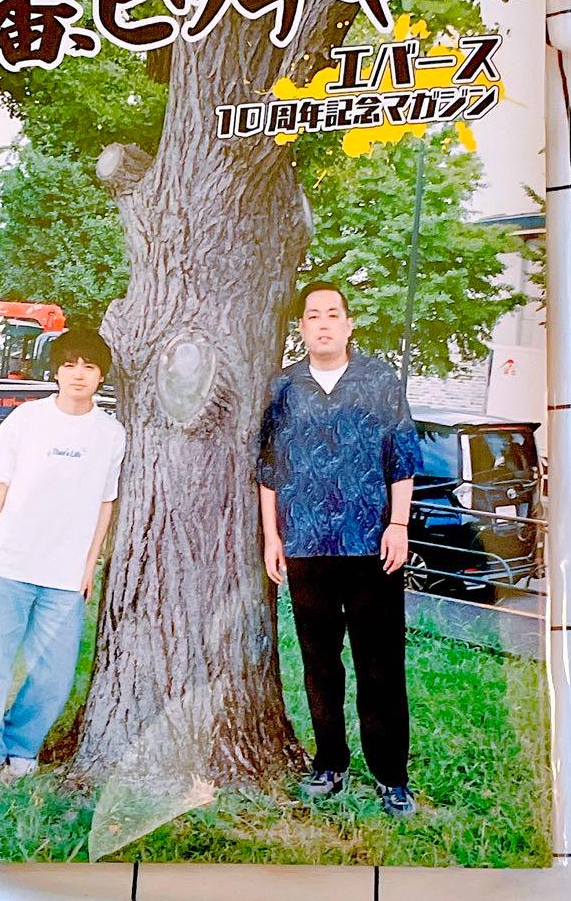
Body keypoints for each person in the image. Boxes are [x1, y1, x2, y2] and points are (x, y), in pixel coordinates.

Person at [256, 281, 422, 817]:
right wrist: (272, 536)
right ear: (302, 327)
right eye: (313, 315)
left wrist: (398, 524)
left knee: (381, 666)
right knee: (320, 665)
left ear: (349, 324)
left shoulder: (379, 380)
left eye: (333, 314)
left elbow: (402, 455)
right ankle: (330, 762)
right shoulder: (284, 387)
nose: (323, 323)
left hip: (372, 548)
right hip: (306, 547)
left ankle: (391, 776)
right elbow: (268, 468)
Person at [0, 327, 125, 787]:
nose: (79, 374)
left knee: (53, 673)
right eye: (69, 364)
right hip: (11, 562)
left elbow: (105, 503)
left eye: (89, 366)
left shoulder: (111, 434)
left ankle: (22, 747)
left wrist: (89, 565)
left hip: (65, 574)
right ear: (55, 371)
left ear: (101, 375)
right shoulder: (27, 419)